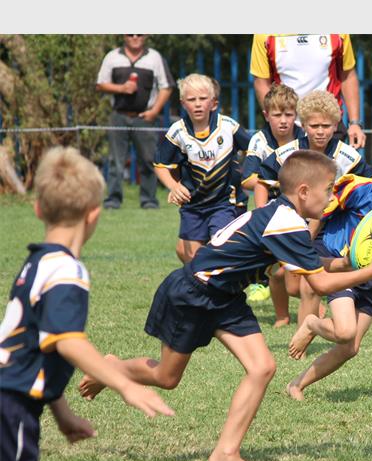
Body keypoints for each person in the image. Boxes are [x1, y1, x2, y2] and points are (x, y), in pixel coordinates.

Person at [77, 151, 372, 461]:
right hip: (193, 292)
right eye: (329, 190)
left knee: (262, 367)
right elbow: (320, 284)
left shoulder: (285, 217)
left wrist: (348, 263)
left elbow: (311, 264)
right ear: (304, 192)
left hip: (227, 298)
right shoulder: (286, 223)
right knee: (166, 377)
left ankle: (225, 453)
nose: (332, 197)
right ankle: (111, 368)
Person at [0, 147, 173, 461]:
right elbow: (67, 341)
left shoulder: (35, 263)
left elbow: (36, 346)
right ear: (95, 215)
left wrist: (62, 414)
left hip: (12, 396)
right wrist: (126, 385)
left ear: (38, 209)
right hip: (10, 407)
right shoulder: (67, 271)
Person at [286, 125, 372, 400]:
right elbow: (318, 210)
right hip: (340, 264)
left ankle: (296, 385)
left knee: (350, 347)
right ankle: (312, 323)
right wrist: (305, 247)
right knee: (345, 330)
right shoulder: (357, 187)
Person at [255, 90, 372, 328]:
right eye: (314, 125)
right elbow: (262, 182)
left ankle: (306, 333)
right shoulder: (288, 153)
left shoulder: (347, 156)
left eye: (326, 126)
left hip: (332, 228)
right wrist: (261, 213)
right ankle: (319, 312)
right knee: (292, 287)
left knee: (308, 286)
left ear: (336, 125)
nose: (320, 131)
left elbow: (371, 185)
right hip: (296, 225)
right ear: (303, 124)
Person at [153, 73, 252, 264]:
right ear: (183, 103)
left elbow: (254, 149)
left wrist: (246, 174)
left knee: (220, 248)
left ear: (213, 103)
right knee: (191, 256)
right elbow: (160, 165)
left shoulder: (228, 127)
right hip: (193, 206)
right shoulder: (178, 131)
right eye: (191, 100)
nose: (197, 104)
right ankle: (200, 281)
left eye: (202, 98)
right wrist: (174, 186)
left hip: (224, 203)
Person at [240, 83, 304, 311]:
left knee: (292, 267)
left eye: (289, 114)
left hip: (303, 211)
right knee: (276, 270)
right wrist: (276, 181)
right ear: (266, 115)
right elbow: (247, 180)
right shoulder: (259, 140)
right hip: (271, 210)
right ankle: (281, 314)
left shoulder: (304, 137)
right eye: (277, 115)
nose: (283, 121)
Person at [96, 34, 174, 210]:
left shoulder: (154, 57)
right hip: (118, 116)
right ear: (124, 36)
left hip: (145, 117)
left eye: (139, 33)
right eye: (130, 33)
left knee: (148, 160)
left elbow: (166, 86)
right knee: (115, 161)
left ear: (146, 36)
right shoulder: (112, 57)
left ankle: (149, 200)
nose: (135, 37)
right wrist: (121, 88)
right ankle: (113, 200)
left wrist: (154, 111)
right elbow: (100, 84)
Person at [249, 34, 366, 149]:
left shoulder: (339, 34)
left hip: (326, 125)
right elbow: (261, 82)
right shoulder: (264, 35)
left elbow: (348, 76)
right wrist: (278, 118)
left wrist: (355, 123)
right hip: (288, 128)